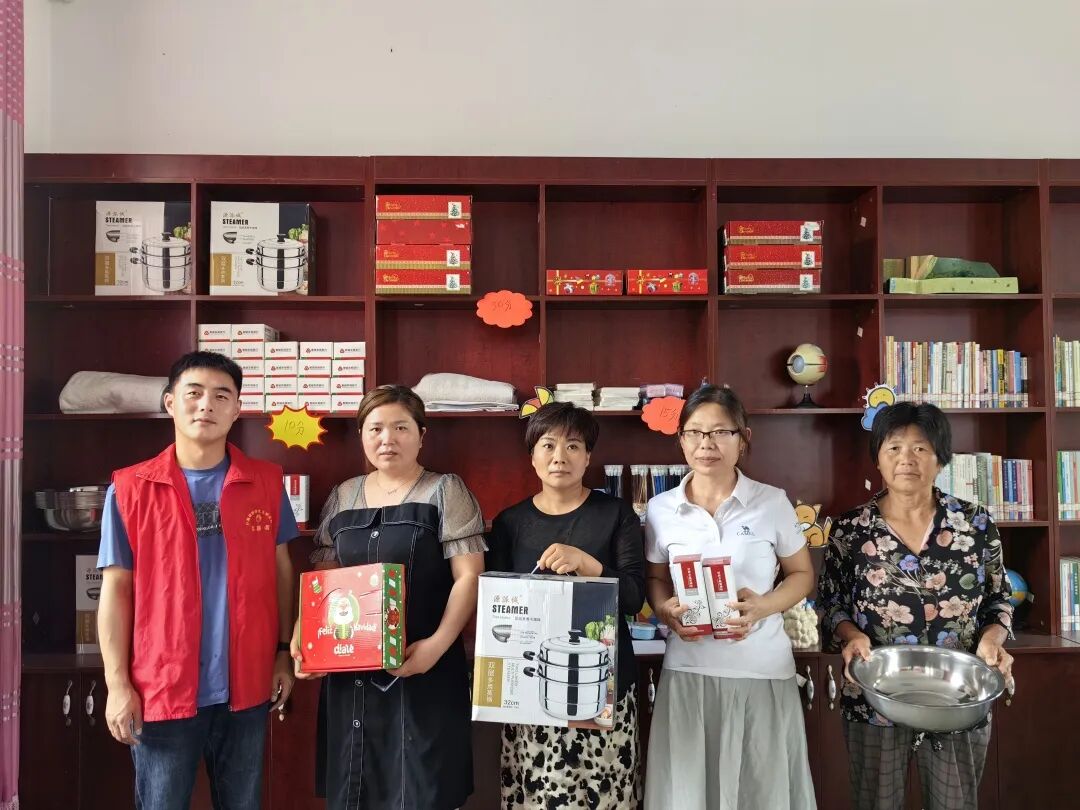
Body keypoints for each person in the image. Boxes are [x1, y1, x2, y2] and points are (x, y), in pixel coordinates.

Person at [97, 351, 299, 810]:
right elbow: (116, 589)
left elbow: (281, 569)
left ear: (237, 409)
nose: (206, 404)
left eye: (221, 395)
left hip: (248, 684)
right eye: (194, 393)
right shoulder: (129, 489)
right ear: (170, 402)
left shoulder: (267, 482)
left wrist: (283, 653)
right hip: (160, 686)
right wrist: (117, 684)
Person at [292, 385, 486, 810]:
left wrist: (436, 646)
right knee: (356, 789)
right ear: (362, 434)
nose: (387, 439)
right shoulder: (343, 495)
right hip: (351, 673)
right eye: (375, 428)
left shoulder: (445, 490)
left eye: (401, 428)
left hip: (424, 666)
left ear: (421, 435)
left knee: (423, 789)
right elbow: (324, 576)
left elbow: (469, 576)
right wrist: (304, 634)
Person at [818, 402, 1015, 810]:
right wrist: (850, 636)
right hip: (875, 696)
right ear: (877, 459)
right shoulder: (851, 529)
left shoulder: (975, 523)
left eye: (921, 448)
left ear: (941, 459)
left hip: (957, 697)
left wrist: (993, 639)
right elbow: (832, 603)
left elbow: (998, 598)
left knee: (954, 803)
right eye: (894, 448)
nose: (906, 459)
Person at [643, 384, 817, 809]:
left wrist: (762, 607)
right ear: (681, 439)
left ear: (743, 438)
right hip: (689, 671)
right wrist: (665, 610)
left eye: (721, 432)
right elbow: (655, 577)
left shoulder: (771, 502)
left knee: (761, 793)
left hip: (762, 671)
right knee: (688, 795)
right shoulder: (661, 509)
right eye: (695, 432)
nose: (707, 443)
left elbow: (801, 575)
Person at [487, 402, 646, 809]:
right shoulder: (509, 523)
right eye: (548, 445)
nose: (560, 456)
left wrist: (590, 566)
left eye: (573, 446)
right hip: (533, 691)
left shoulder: (615, 514)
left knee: (605, 797)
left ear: (588, 456)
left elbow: (634, 598)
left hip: (602, 691)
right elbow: (495, 606)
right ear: (532, 456)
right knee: (537, 796)